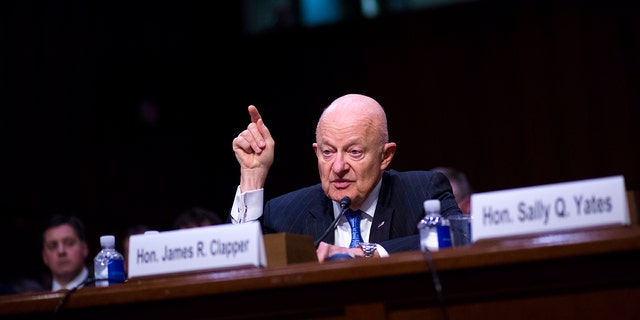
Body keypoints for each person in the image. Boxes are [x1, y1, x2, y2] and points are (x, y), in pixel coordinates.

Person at [229, 93, 462, 262]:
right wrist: (252, 175)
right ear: (316, 153)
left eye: (354, 152)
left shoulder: (421, 191)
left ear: (385, 156)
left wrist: (363, 253)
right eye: (328, 152)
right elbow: (240, 266)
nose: (338, 167)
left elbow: (459, 236)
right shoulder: (284, 214)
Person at [40, 214, 90, 291]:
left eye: (69, 243)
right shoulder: (36, 298)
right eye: (52, 246)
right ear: (44, 257)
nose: (61, 251)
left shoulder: (104, 289)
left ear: (84, 248)